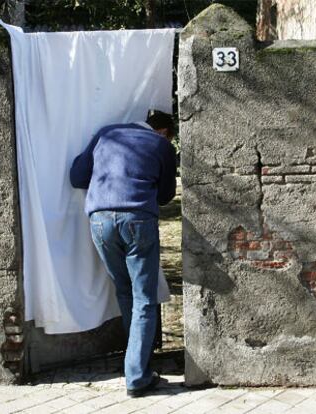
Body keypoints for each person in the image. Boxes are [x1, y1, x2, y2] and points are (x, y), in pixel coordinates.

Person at [70, 110, 177, 397]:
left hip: (99, 220)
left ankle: (135, 364)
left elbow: (77, 175)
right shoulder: (162, 146)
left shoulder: (107, 133)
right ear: (164, 132)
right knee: (144, 297)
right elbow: (166, 195)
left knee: (125, 291)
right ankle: (137, 376)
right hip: (137, 219)